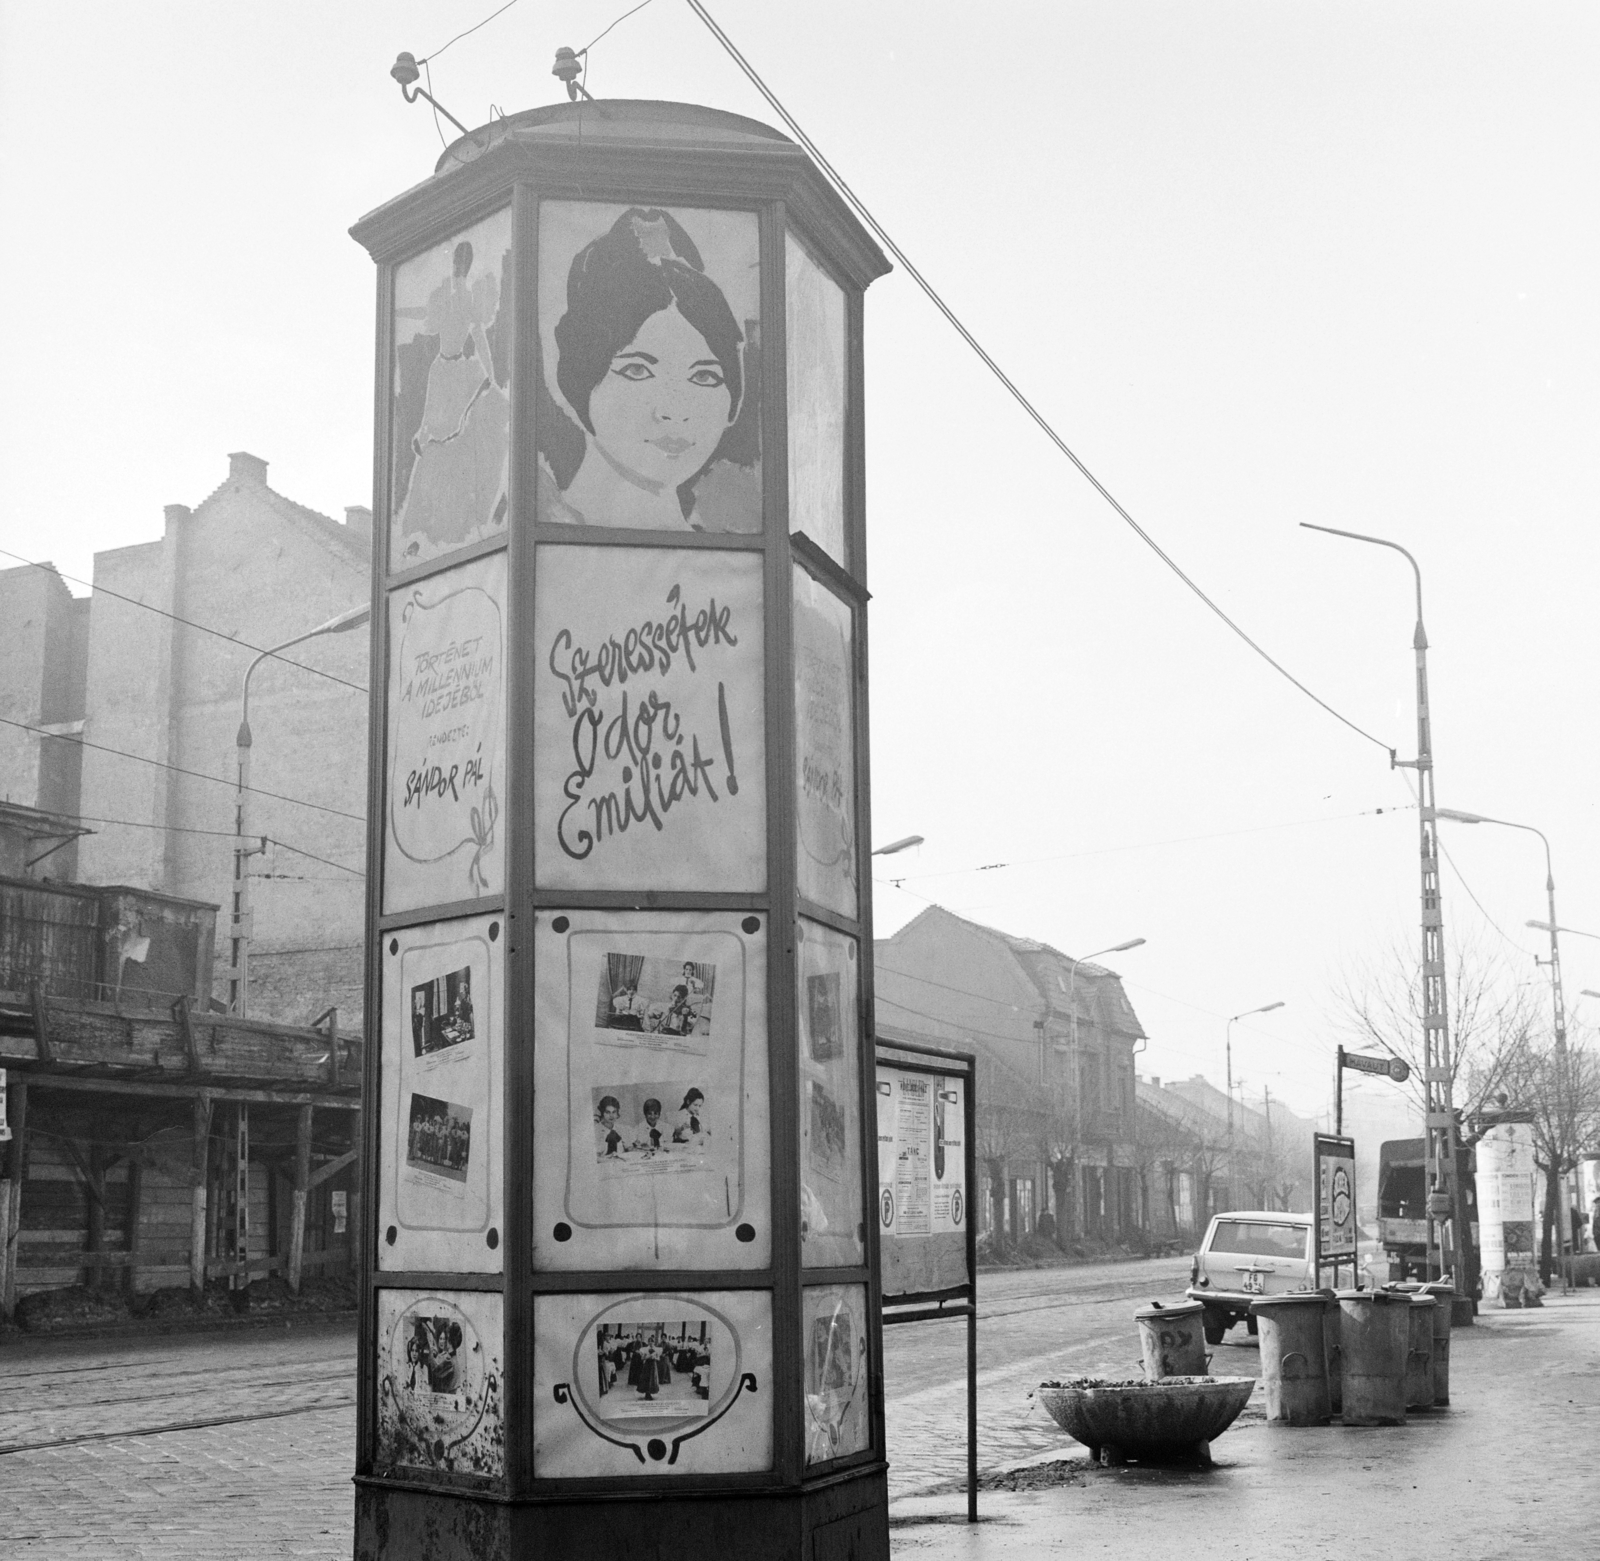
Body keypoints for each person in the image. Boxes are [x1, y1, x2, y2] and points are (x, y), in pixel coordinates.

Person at [538, 208, 758, 531]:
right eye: (637, 371)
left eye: (704, 376)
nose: (674, 410)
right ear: (578, 377)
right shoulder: (553, 538)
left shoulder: (715, 561)